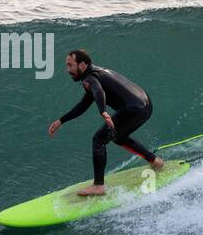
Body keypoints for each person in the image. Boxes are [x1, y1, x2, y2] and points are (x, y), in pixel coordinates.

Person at [47, 49, 164, 195]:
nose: (67, 70)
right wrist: (61, 121)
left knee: (99, 139)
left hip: (133, 109)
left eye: (70, 65)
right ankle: (155, 161)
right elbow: (83, 104)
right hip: (145, 105)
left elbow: (98, 91)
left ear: (82, 65)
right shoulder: (96, 73)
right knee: (117, 136)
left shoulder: (89, 78)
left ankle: (99, 186)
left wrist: (103, 111)